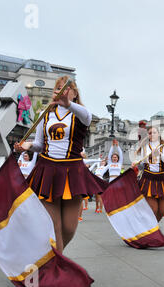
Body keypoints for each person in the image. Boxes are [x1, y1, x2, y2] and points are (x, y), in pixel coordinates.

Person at [14, 76, 108, 253]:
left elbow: (87, 117)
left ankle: (52, 261)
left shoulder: (80, 113)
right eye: (58, 88)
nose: (61, 91)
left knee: (69, 228)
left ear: (74, 93)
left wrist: (67, 104)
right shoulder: (46, 113)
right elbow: (40, 145)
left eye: (65, 88)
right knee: (54, 226)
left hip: (73, 172)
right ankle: (56, 267)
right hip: (47, 170)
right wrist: (27, 146)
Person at [133, 126, 164, 222]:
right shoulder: (145, 147)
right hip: (148, 178)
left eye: (154, 132)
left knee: (161, 211)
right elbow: (142, 162)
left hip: (161, 179)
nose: (152, 135)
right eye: (150, 133)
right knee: (153, 209)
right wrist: (136, 162)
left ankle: (151, 228)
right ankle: (151, 229)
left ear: (158, 134)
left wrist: (159, 154)